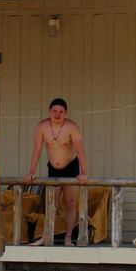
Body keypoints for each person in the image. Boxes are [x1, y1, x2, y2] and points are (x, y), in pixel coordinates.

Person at [24, 98, 88, 246]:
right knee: (51, 204)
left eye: (61, 112)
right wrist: (31, 172)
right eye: (55, 111)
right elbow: (37, 150)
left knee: (70, 204)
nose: (57, 115)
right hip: (53, 168)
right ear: (49, 112)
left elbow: (80, 151)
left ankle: (68, 238)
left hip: (71, 167)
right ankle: (46, 237)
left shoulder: (72, 127)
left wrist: (84, 173)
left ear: (66, 113)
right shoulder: (42, 127)